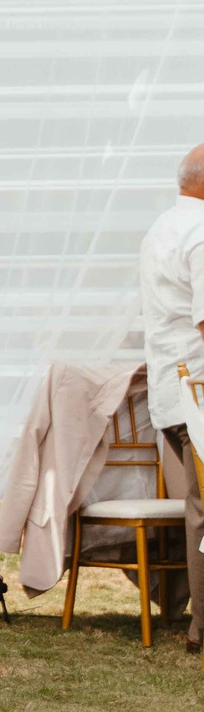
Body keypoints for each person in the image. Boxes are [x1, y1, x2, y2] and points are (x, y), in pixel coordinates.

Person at [136, 142, 204, 648]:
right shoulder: (201, 232)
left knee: (200, 507)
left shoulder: (162, 227)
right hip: (198, 389)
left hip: (171, 392)